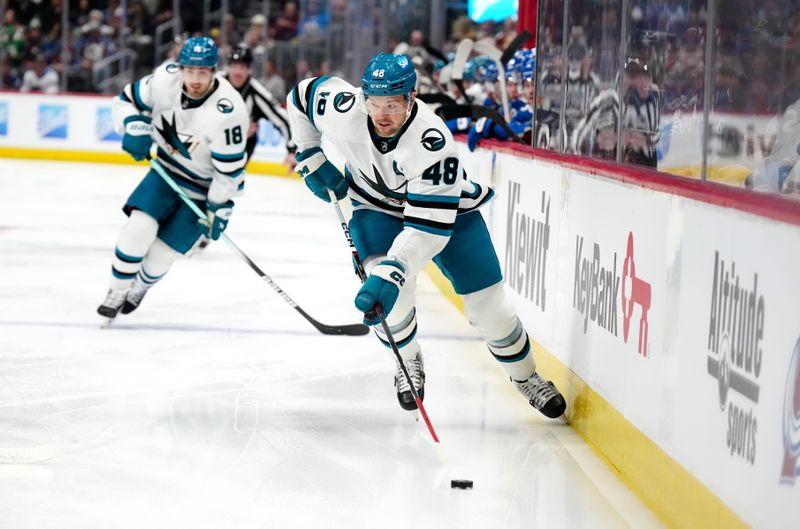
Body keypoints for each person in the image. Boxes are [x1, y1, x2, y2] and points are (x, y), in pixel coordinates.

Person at [286, 52, 566, 419]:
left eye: (392, 105)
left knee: (491, 309)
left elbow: (426, 229)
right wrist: (308, 153)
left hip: (447, 215)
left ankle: (526, 376)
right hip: (373, 207)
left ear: (411, 98)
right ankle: (407, 360)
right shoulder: (343, 107)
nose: (382, 114)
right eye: (374, 103)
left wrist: (394, 268)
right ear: (363, 97)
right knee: (391, 297)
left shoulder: (432, 141)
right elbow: (301, 97)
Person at [96, 36, 249, 320]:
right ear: (180, 67)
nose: (194, 79)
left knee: (163, 253)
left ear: (214, 71)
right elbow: (124, 101)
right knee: (137, 229)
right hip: (165, 172)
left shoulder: (229, 111)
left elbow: (228, 172)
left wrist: (218, 206)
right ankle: (116, 291)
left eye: (202, 72)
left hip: (203, 188)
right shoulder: (164, 80)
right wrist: (133, 125)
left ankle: (140, 285)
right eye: (189, 70)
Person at [223, 46, 296, 169]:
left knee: (228, 183)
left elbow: (283, 119)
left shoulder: (257, 93)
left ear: (249, 69)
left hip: (241, 149)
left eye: (242, 67)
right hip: (211, 143)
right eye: (234, 67)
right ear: (228, 67)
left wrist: (292, 150)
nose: (237, 72)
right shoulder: (215, 84)